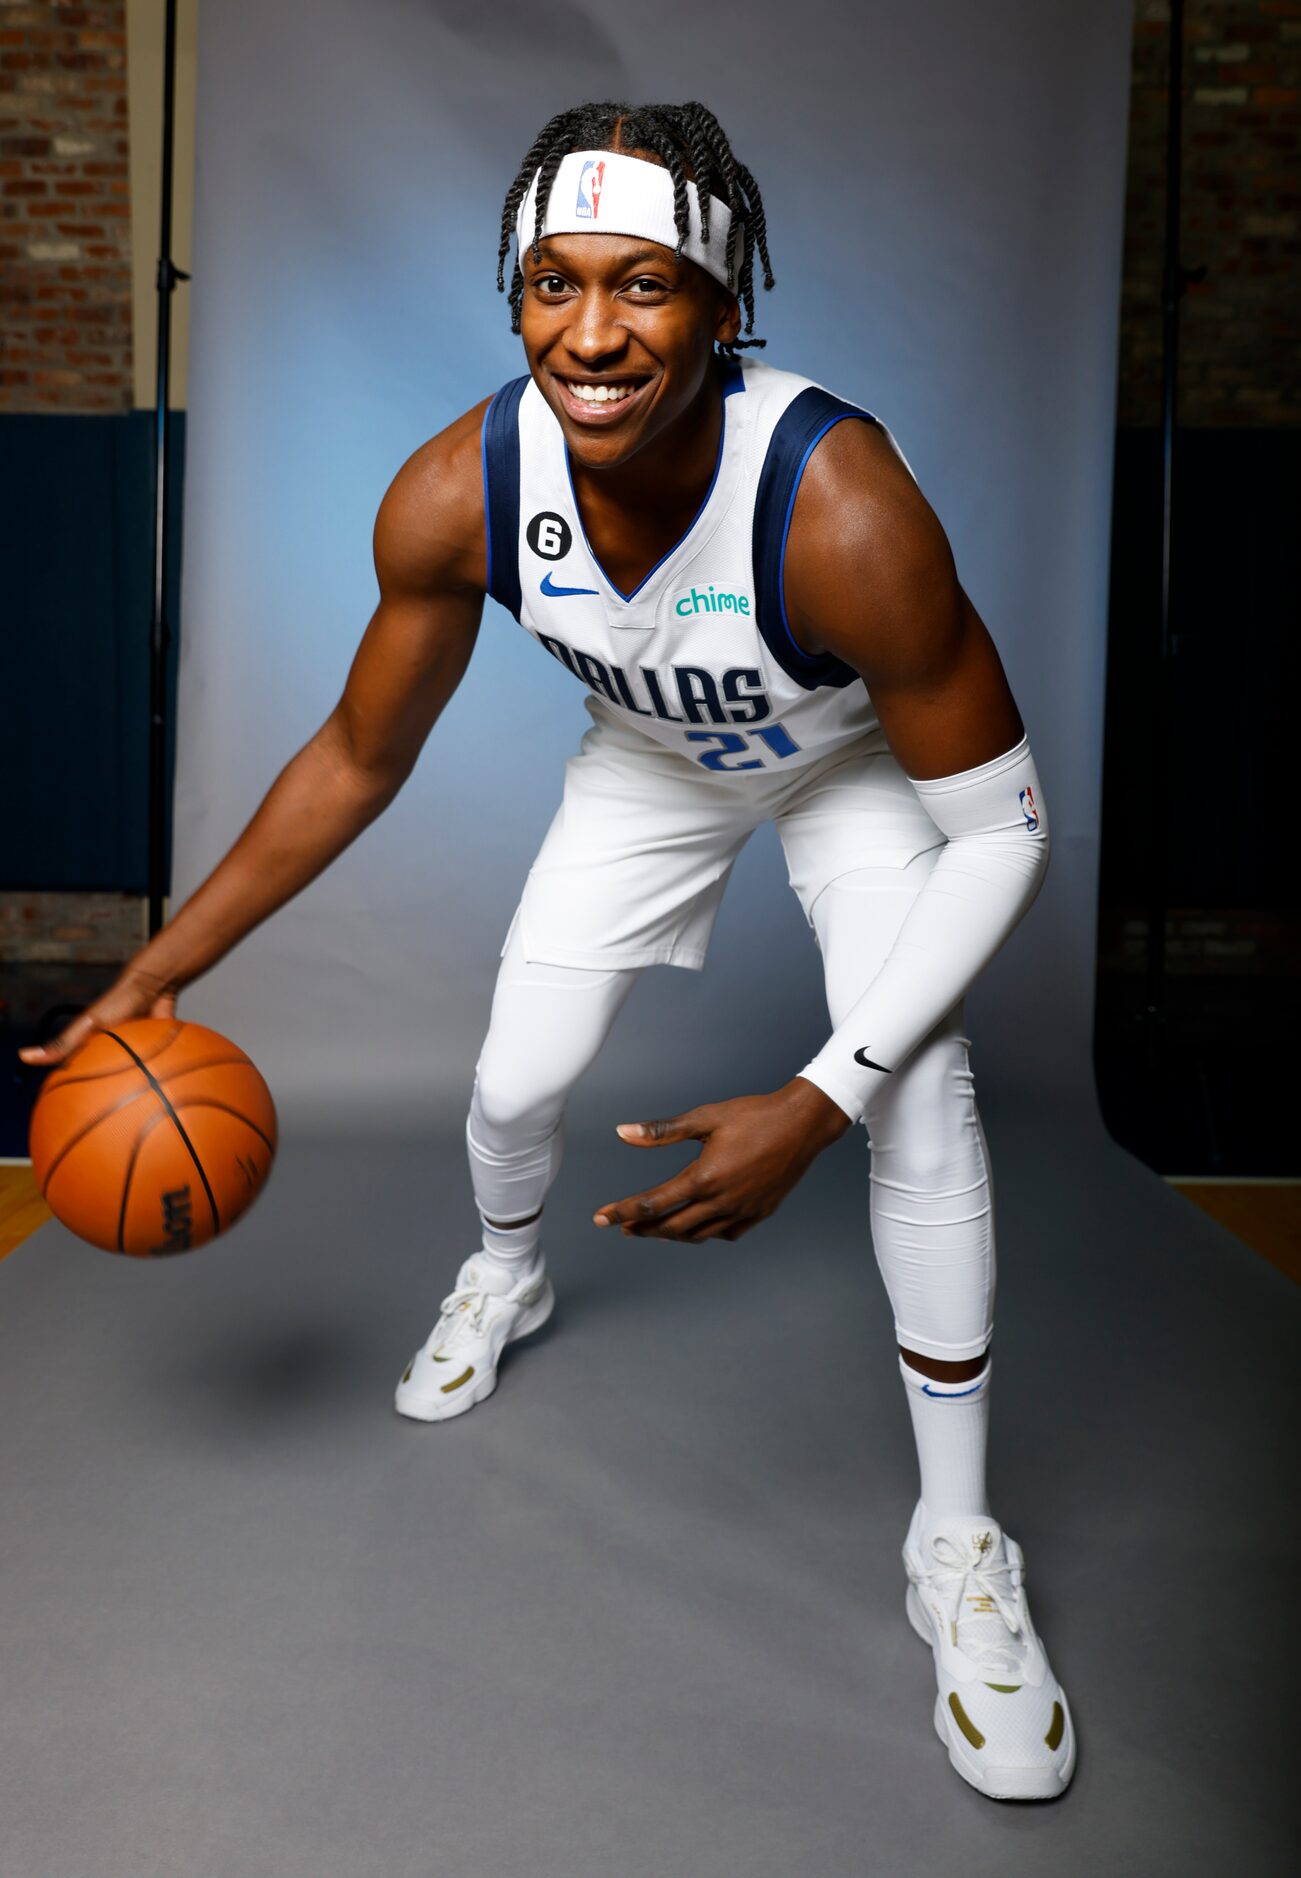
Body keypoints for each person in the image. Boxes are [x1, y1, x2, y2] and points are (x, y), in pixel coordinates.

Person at [19, 100, 1073, 1801]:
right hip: (652, 763)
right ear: (516, 296)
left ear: (726, 304)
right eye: (554, 284)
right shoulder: (462, 488)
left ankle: (957, 1542)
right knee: (513, 1079)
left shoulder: (843, 506)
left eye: (645, 286)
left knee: (919, 1096)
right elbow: (359, 756)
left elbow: (1005, 835)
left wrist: (815, 1097)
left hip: (848, 764)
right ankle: (504, 1270)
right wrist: (161, 970)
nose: (593, 332)